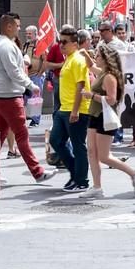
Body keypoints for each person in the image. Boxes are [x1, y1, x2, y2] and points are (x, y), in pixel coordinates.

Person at [0, 12, 56, 182]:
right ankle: (38, 172)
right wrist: (31, 85)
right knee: (21, 134)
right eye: (18, 26)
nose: (19, 29)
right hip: (9, 95)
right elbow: (14, 72)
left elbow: (13, 69)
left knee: (1, 134)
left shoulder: (1, 43)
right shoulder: (5, 45)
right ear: (9, 26)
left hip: (3, 94)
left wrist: (24, 62)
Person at [78, 45, 135, 198]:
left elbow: (112, 99)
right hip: (94, 115)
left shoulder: (109, 77)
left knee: (103, 156)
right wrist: (85, 54)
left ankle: (134, 173)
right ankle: (97, 187)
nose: (96, 58)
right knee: (92, 152)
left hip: (104, 117)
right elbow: (91, 66)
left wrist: (91, 95)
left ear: (107, 59)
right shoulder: (103, 73)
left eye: (99, 56)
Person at [49, 25, 92, 193]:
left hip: (77, 109)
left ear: (75, 43)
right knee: (55, 140)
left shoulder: (77, 60)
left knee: (78, 145)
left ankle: (82, 180)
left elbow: (81, 85)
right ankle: (75, 173)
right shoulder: (68, 58)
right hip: (64, 108)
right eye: (60, 41)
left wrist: (75, 111)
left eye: (64, 42)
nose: (61, 45)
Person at [22, 25, 46, 127]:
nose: (28, 35)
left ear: (36, 34)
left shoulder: (41, 45)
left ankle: (35, 120)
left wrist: (40, 73)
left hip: (37, 75)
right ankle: (28, 116)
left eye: (30, 34)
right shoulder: (25, 45)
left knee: (36, 98)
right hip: (27, 76)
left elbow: (45, 60)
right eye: (27, 33)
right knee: (27, 97)